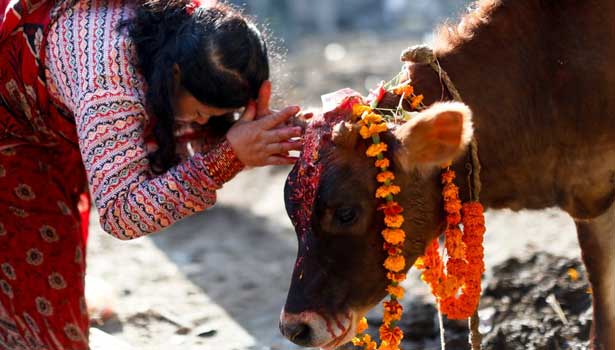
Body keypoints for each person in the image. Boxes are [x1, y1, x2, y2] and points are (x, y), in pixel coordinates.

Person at [0, 0, 303, 348]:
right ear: (174, 73)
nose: (202, 124)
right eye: (202, 113)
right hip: (12, 146)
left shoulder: (187, 28)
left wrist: (258, 133)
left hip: (49, 125)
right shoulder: (110, 86)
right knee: (43, 330)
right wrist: (227, 158)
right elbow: (121, 213)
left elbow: (177, 134)